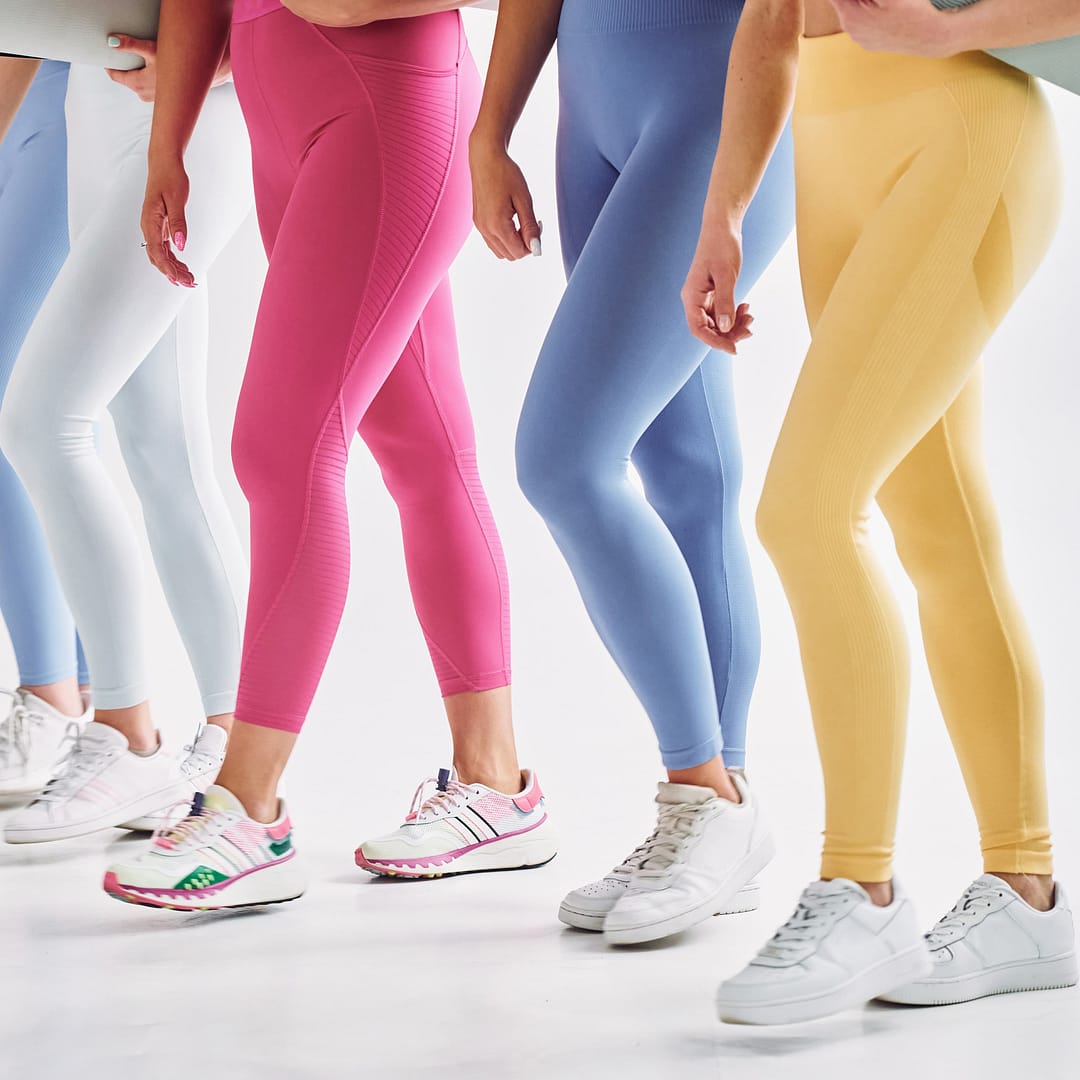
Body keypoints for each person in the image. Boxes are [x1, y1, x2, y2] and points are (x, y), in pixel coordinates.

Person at [103, 0, 554, 913]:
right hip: (288, 118)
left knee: (282, 445)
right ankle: (497, 786)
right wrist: (168, 144)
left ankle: (249, 808)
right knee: (422, 444)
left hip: (390, 106)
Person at [684, 0, 1076, 1023]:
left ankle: (861, 889)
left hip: (965, 129)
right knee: (939, 527)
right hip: (836, 141)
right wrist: (724, 212)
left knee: (809, 509)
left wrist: (953, 31)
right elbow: (771, 18)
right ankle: (1026, 894)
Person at [471, 0, 793, 944]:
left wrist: (729, 205)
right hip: (594, 99)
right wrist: (491, 132)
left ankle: (703, 788)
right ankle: (723, 813)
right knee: (682, 465)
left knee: (565, 459)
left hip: (714, 96)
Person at [0, 38, 250, 842]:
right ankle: (232, 735)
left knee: (43, 421)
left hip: (199, 120)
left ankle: (127, 731)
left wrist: (233, 48)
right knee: (160, 445)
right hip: (91, 109)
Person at [0, 59, 94, 801]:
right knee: (49, 414)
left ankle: (53, 696)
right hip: (31, 83)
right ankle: (86, 690)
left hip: (64, 81)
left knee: (23, 409)